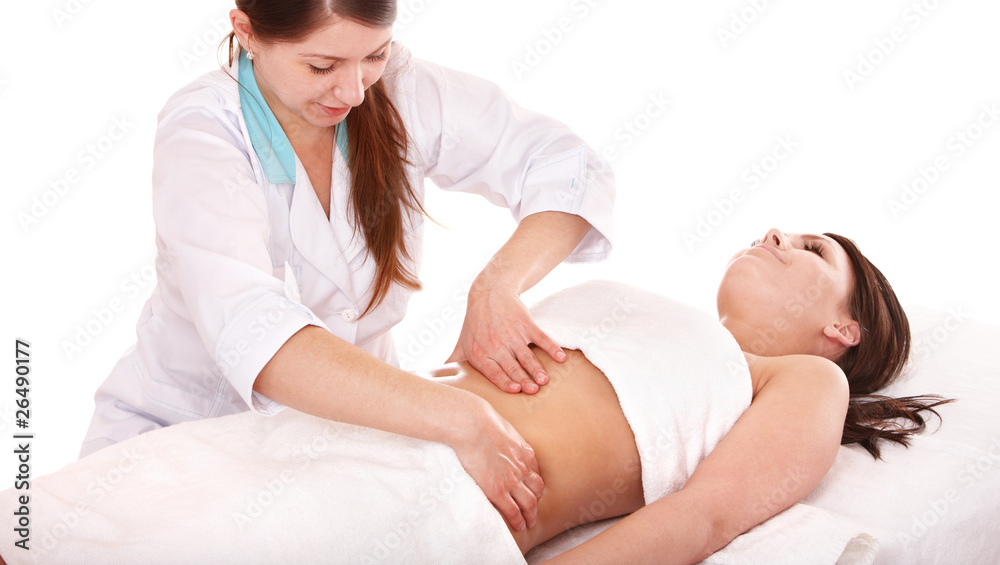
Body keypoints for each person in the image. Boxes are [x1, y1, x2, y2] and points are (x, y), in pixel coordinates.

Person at [77, 0, 615, 532]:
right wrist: (462, 418)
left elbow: (567, 166)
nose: (355, 91)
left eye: (375, 55)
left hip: (345, 453)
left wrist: (497, 286)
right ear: (246, 32)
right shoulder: (203, 132)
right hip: (181, 446)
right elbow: (256, 333)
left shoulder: (401, 86)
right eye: (321, 65)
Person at [0, 229, 950, 565]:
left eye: (810, 250)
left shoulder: (802, 380)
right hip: (330, 428)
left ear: (845, 326)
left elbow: (703, 519)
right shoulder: (650, 312)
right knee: (71, 517)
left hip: (419, 498)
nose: (776, 235)